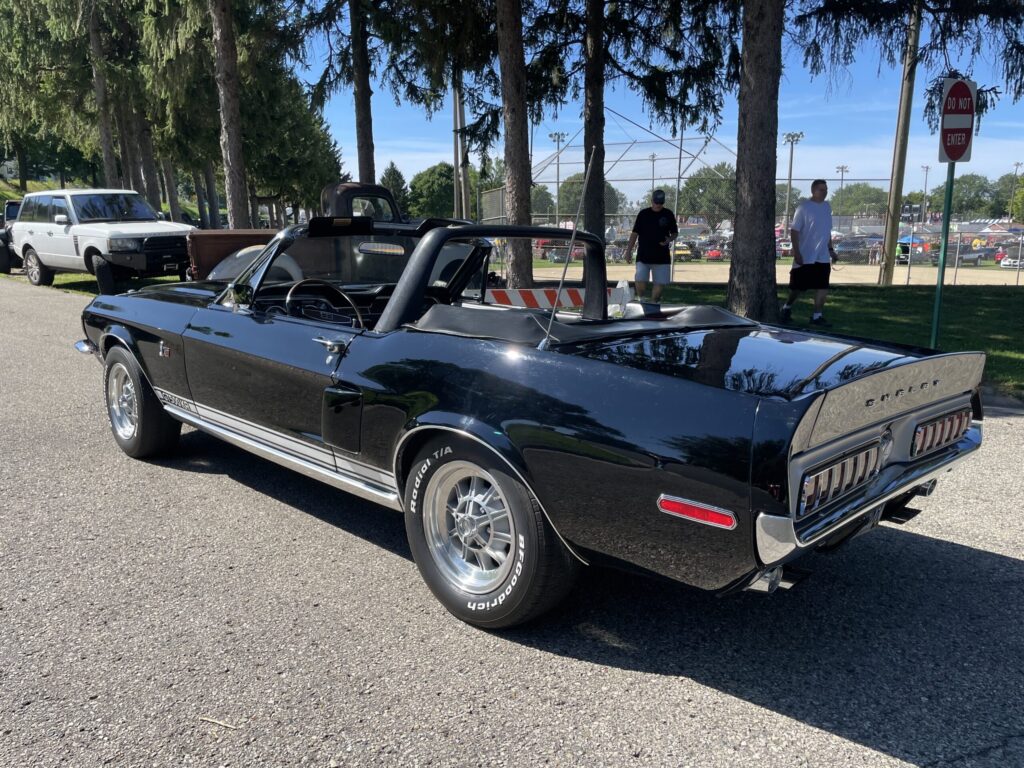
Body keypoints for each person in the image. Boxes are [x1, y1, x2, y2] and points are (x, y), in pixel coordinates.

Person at [780, 179, 836, 326]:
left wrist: (831, 250)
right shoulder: (803, 208)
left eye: (826, 190)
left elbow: (827, 232)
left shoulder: (826, 207)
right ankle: (786, 308)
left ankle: (817, 316)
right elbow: (794, 231)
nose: (824, 192)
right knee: (798, 288)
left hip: (822, 257)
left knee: (822, 287)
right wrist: (797, 252)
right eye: (821, 190)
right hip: (806, 256)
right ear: (813, 191)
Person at [625, 189, 678, 303]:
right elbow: (634, 234)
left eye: (660, 203)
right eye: (656, 202)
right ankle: (641, 300)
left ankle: (654, 304)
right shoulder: (643, 214)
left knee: (659, 284)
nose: (658, 205)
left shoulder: (668, 214)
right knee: (640, 280)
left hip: (662, 257)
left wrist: (669, 239)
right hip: (643, 255)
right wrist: (628, 251)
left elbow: (674, 233)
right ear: (651, 201)